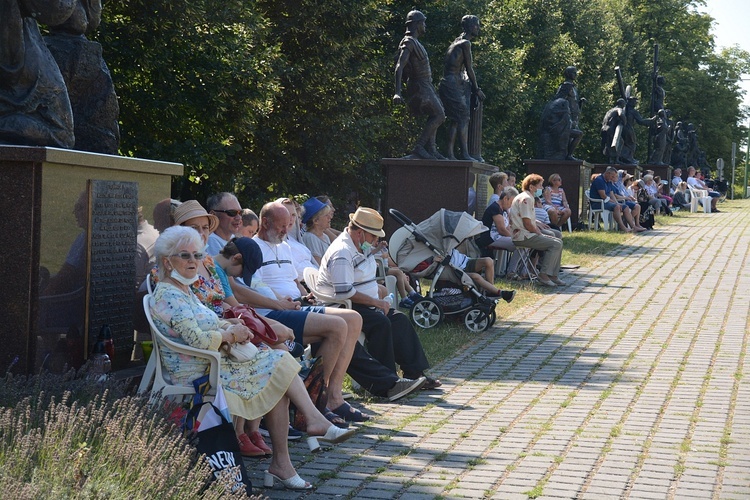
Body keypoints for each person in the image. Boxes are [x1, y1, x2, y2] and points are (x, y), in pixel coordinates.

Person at [149, 226, 355, 491]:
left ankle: (289, 454)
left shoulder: (183, 289)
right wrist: (232, 335)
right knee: (277, 364)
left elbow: (206, 326)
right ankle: (307, 428)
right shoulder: (169, 294)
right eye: (185, 256)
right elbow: (197, 340)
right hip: (200, 371)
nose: (193, 262)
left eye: (197, 255)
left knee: (276, 366)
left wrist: (230, 326)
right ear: (168, 261)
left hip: (215, 362)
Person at [316, 207, 442, 389]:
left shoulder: (357, 245)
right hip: (341, 306)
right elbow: (344, 292)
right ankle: (388, 381)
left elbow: (361, 265)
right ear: (360, 233)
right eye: (373, 237)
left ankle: (415, 373)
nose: (376, 241)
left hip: (360, 304)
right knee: (381, 323)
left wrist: (374, 252)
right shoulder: (342, 252)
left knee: (399, 320)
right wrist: (376, 302)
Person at [393, 10, 446, 160]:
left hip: (426, 85)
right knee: (439, 114)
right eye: (423, 22)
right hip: (420, 86)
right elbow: (399, 66)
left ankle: (431, 149)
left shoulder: (415, 42)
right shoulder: (408, 41)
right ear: (416, 25)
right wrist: (397, 92)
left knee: (436, 113)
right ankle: (420, 146)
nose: (425, 25)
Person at [438, 15, 485, 161]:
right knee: (464, 117)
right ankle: (464, 154)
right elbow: (469, 69)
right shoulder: (465, 43)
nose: (478, 28)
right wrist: (477, 89)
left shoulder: (457, 41)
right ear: (470, 26)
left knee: (455, 119)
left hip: (448, 82)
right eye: (476, 25)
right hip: (452, 82)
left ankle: (451, 154)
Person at [508, 175, 565, 288]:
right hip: (523, 236)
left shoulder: (527, 197)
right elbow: (527, 223)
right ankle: (544, 275)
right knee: (555, 244)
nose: (542, 188)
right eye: (540, 185)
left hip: (525, 233)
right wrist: (539, 233)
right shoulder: (527, 199)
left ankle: (553, 275)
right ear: (532, 186)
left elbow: (527, 219)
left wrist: (538, 225)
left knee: (557, 237)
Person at [477, 187, 522, 278]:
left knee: (525, 242)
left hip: (498, 237)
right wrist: (514, 237)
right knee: (521, 244)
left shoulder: (503, 210)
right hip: (490, 238)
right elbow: (501, 229)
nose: (511, 205)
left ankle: (514, 270)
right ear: (505, 198)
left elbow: (507, 227)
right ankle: (511, 272)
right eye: (511, 202)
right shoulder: (495, 208)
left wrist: (516, 234)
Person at [589, 168, 643, 232]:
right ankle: (622, 227)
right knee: (617, 207)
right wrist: (615, 204)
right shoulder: (599, 180)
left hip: (607, 202)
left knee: (625, 207)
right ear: (607, 173)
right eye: (612, 176)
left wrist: (616, 202)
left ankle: (633, 227)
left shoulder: (609, 181)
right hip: (598, 202)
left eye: (614, 177)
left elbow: (612, 194)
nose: (613, 178)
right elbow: (603, 196)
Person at [554, 66, 584, 160]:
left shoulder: (573, 87)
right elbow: (558, 100)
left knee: (571, 138)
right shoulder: (566, 86)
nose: (575, 75)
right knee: (577, 135)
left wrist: (580, 103)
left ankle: (568, 155)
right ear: (569, 74)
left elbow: (573, 102)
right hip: (568, 117)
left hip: (574, 118)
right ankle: (568, 156)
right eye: (574, 73)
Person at [301, 197, 333, 264]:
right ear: (316, 221)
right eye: (326, 215)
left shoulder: (325, 237)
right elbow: (318, 264)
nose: (330, 217)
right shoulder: (310, 238)